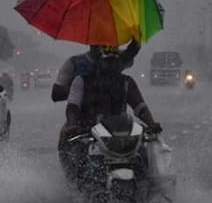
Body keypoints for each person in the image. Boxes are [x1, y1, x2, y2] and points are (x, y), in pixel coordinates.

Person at [57, 45, 162, 183]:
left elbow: (140, 107)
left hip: (121, 135)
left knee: (143, 155)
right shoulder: (81, 80)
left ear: (120, 63)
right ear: (98, 61)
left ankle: (148, 192)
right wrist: (72, 124)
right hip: (89, 133)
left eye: (114, 61)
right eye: (107, 61)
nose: (111, 65)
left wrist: (151, 123)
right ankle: (77, 189)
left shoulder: (126, 82)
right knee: (74, 154)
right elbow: (73, 106)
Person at [51, 39, 140, 102]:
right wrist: (79, 89)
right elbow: (56, 94)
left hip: (114, 121)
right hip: (81, 119)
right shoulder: (73, 63)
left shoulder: (114, 59)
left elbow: (130, 52)